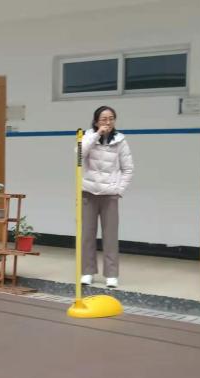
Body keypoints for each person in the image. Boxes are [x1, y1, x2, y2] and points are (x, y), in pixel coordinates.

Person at [80, 106, 134, 288]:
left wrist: (119, 189)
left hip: (110, 194)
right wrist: (97, 135)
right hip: (88, 192)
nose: (108, 122)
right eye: (103, 119)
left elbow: (128, 168)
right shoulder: (87, 136)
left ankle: (111, 274)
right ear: (96, 121)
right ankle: (87, 272)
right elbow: (78, 155)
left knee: (110, 236)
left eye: (111, 118)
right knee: (87, 235)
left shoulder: (120, 140)